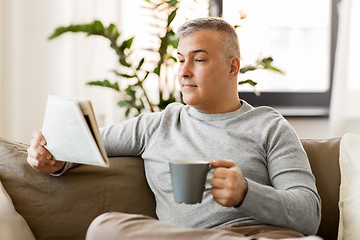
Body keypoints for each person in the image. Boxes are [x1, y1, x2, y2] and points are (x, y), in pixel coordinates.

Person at [27, 17, 321, 240]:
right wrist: (51, 156)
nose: (184, 71)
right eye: (180, 60)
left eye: (199, 59)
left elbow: (309, 214)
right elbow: (83, 141)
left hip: (260, 236)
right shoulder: (157, 125)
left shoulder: (270, 126)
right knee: (105, 228)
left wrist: (247, 193)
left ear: (233, 68)